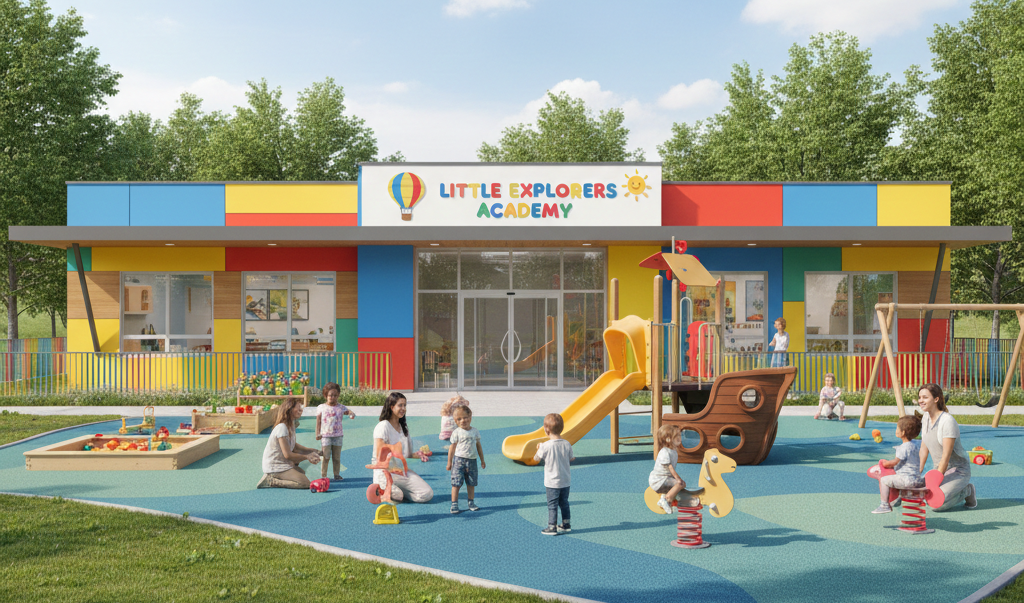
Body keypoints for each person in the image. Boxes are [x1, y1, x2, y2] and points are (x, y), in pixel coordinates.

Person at [918, 383, 977, 511]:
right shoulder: (925, 417)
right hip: (938, 470)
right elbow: (924, 448)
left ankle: (967, 491)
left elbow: (946, 456)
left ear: (936, 399)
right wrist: (917, 472)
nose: (920, 401)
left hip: (958, 471)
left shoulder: (947, 421)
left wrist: (935, 482)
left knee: (937, 505)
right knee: (921, 494)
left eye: (925, 397)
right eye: (920, 397)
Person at [371, 392, 434, 503]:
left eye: (405, 405)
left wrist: (418, 455)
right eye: (400, 405)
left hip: (400, 472)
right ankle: (383, 486)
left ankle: (396, 492)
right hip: (385, 472)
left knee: (426, 494)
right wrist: (393, 465)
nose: (403, 408)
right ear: (391, 407)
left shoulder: (403, 428)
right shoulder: (383, 426)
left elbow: (407, 454)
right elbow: (380, 455)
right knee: (397, 496)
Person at [257, 397, 321, 489]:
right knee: (305, 483)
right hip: (275, 466)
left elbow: (294, 446)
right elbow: (287, 455)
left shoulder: (290, 425)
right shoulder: (282, 427)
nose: (301, 410)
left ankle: (276, 477)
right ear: (289, 409)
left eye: (301, 407)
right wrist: (307, 456)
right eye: (298, 407)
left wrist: (313, 450)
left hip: (281, 464)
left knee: (301, 472)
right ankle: (272, 481)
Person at [871, 414, 924, 514]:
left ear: (903, 432)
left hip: (906, 480)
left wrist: (886, 463)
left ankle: (884, 505)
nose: (896, 430)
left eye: (897, 428)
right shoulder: (917, 444)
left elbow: (895, 462)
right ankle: (899, 497)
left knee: (884, 480)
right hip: (917, 479)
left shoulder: (903, 448)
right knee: (896, 479)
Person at [533, 413, 575, 535]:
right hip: (565, 481)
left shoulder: (545, 446)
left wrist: (538, 448)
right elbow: (571, 458)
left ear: (546, 430)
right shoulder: (566, 444)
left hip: (552, 482)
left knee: (552, 504)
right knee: (564, 502)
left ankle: (552, 526)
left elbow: (536, 459)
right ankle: (566, 523)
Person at [447, 405, 485, 514]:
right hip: (459, 461)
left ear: (470, 417)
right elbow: (452, 447)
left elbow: (478, 446)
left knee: (471, 483)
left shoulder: (475, 431)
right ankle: (454, 504)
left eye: (465, 417)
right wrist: (449, 462)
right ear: (455, 421)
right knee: (456, 483)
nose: (462, 420)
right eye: (459, 419)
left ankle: (471, 502)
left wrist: (482, 460)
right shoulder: (457, 432)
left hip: (472, 460)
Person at [315, 382, 356, 481]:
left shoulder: (341, 407)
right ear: (325, 395)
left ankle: (336, 474)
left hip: (338, 436)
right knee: (326, 457)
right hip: (326, 436)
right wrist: (317, 433)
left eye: (335, 395)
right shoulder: (321, 407)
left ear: (338, 396)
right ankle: (323, 475)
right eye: (330, 395)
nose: (332, 397)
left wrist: (352, 414)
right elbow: (318, 421)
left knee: (336, 458)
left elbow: (349, 411)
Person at [650, 425, 686, 514]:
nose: (679, 438)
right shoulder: (665, 452)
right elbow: (670, 468)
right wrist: (678, 479)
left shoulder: (673, 450)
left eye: (679, 435)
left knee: (682, 484)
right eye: (676, 436)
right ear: (668, 439)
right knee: (680, 483)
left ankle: (665, 496)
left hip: (664, 479)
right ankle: (666, 499)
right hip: (658, 481)